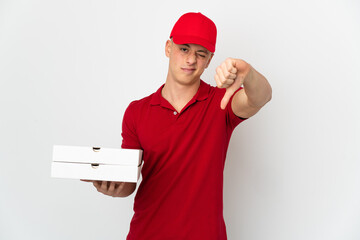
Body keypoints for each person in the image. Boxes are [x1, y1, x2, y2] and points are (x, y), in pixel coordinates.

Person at [85, 12, 272, 239]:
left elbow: (260, 98)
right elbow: (128, 183)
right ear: (168, 48)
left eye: (200, 54)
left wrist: (248, 73)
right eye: (184, 49)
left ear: (209, 60)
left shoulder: (221, 102)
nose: (191, 60)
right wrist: (112, 188)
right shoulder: (137, 111)